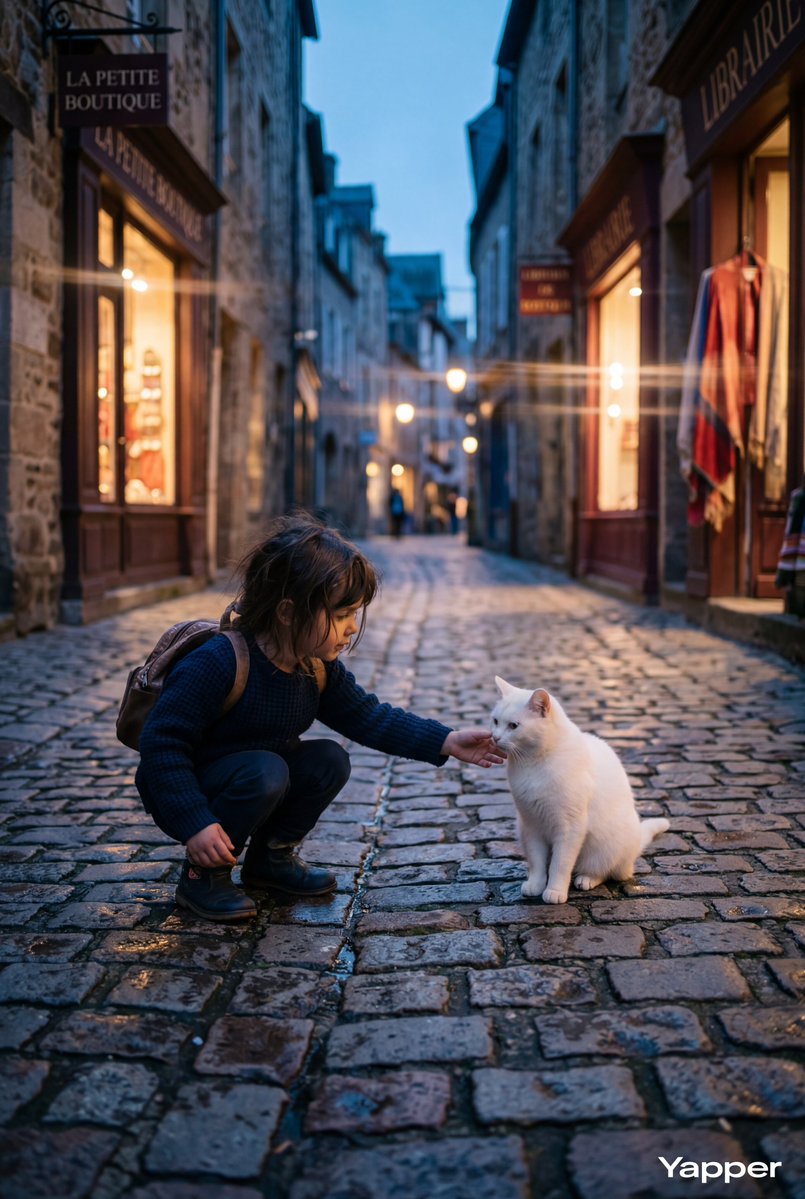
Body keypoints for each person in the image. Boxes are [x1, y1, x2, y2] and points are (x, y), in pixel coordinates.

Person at [135, 513, 504, 922]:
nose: (351, 629)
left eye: (355, 615)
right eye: (342, 614)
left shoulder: (313, 667)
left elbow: (369, 717)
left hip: (254, 777)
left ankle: (270, 860)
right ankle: (202, 875)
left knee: (328, 759)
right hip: (189, 789)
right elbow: (161, 744)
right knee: (267, 770)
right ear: (288, 612)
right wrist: (195, 823)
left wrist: (447, 740)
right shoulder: (219, 662)